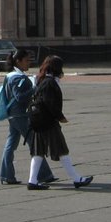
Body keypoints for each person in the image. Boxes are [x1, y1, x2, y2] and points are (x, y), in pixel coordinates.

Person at [26, 55, 93, 190]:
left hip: (38, 121)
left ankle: (32, 181)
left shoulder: (41, 79)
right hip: (48, 122)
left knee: (38, 152)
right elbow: (50, 103)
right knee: (62, 150)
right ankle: (76, 179)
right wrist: (60, 116)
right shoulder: (50, 82)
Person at [0, 49, 57, 185]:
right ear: (18, 61)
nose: (29, 63)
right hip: (20, 115)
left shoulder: (10, 75)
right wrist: (35, 86)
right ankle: (45, 175)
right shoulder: (17, 77)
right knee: (34, 143)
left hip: (12, 114)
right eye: (26, 60)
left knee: (11, 144)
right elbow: (20, 97)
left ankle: (7, 175)